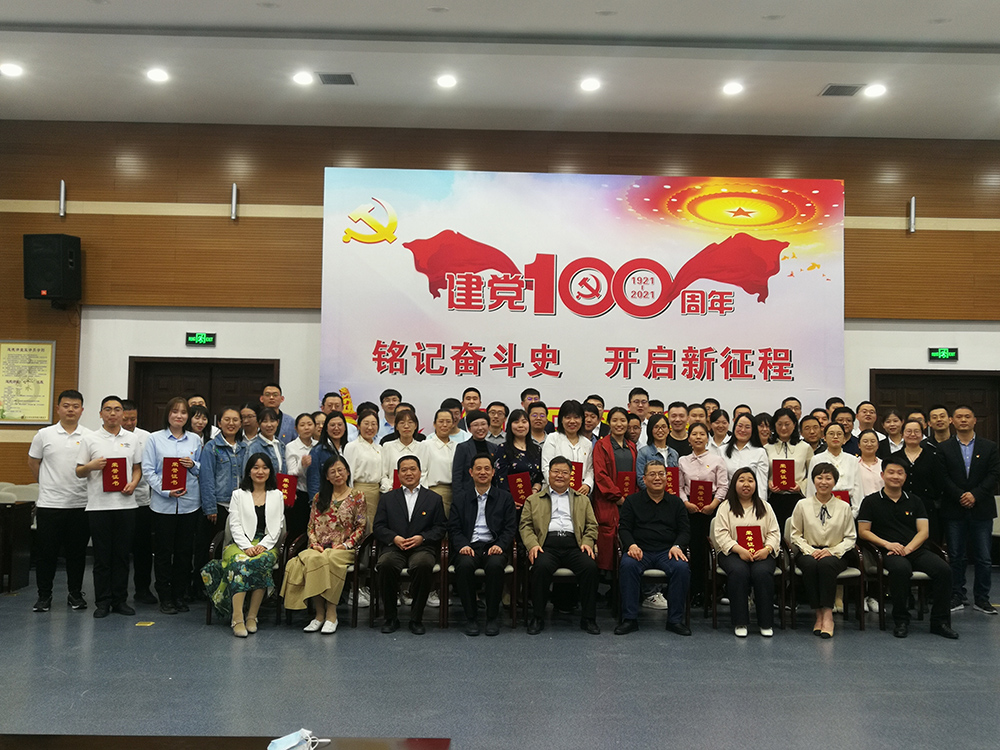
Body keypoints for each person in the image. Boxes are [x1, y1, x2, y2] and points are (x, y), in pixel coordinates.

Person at [857, 457, 957, 638]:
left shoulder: (915, 501)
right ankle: (901, 620)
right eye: (891, 472)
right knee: (901, 570)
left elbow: (924, 531)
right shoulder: (871, 501)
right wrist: (887, 544)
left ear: (905, 476)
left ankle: (940, 622)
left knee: (944, 570)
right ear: (882, 475)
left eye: (900, 473)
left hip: (915, 549)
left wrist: (908, 549)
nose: (895, 476)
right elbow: (863, 531)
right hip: (888, 551)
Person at [281, 455, 367, 633]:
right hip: (319, 547)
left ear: (347, 472)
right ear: (327, 477)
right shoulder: (319, 497)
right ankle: (319, 615)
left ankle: (331, 614)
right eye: (332, 472)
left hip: (343, 549)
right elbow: (311, 525)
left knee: (330, 558)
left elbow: (361, 527)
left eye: (340, 470)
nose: (337, 474)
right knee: (313, 559)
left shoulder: (358, 496)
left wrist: (347, 545)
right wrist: (314, 544)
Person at [201, 452, 284, 637]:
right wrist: (247, 547)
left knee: (260, 562)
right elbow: (235, 524)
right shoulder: (238, 494)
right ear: (248, 471)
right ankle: (237, 618)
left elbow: (277, 525)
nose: (260, 472)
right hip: (240, 542)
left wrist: (263, 546)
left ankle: (252, 616)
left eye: (265, 468)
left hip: (266, 543)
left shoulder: (277, 495)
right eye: (256, 467)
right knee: (240, 563)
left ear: (270, 471)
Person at [75, 395, 142, 618]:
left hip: (126, 506)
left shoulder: (132, 439)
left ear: (123, 414)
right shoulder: (90, 439)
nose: (113, 413)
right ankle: (102, 602)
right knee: (102, 557)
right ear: (100, 414)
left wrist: (134, 483)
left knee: (122, 556)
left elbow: (137, 468)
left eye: (117, 409)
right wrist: (92, 466)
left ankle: (120, 600)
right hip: (98, 507)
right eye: (108, 409)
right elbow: (79, 471)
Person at [520, 456, 600, 635]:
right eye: (556, 471)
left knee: (590, 568)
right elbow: (525, 526)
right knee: (540, 567)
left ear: (571, 475)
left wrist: (587, 542)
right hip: (546, 546)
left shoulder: (582, 499)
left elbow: (592, 525)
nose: (560, 476)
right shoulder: (533, 500)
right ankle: (537, 617)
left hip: (575, 546)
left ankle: (589, 619)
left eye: (564, 472)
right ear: (548, 474)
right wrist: (532, 545)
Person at [141, 396, 207, 615]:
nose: (179, 416)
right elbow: (148, 470)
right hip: (163, 505)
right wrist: (165, 490)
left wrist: (193, 464)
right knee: (163, 552)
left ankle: (180, 594)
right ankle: (165, 596)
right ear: (167, 414)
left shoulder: (195, 440)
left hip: (189, 504)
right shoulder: (154, 439)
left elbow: (202, 469)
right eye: (175, 412)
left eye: (183, 412)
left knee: (184, 552)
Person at [27, 389, 91, 613]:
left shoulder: (89, 436)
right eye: (66, 406)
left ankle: (75, 594)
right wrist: (46, 483)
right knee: (46, 554)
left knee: (77, 554)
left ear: (82, 410)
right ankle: (44, 596)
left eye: (75, 406)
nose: (70, 410)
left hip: (80, 504)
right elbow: (33, 462)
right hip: (50, 505)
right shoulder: (44, 435)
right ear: (58, 409)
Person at [615, 458, 691, 636]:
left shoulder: (676, 503)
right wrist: (631, 545)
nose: (657, 478)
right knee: (628, 565)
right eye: (652, 474)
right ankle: (629, 619)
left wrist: (677, 545)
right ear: (644, 479)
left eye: (661, 474)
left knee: (681, 568)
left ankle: (675, 620)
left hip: (667, 551)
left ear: (667, 478)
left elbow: (685, 531)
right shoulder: (632, 501)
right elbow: (624, 528)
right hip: (640, 550)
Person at [938, 405, 1000, 615]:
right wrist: (960, 495)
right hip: (953, 508)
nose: (963, 420)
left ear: (974, 420)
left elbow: (994, 475)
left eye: (967, 416)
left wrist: (975, 495)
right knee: (956, 555)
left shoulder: (989, 447)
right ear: (952, 421)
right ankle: (957, 594)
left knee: (983, 557)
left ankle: (982, 599)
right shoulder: (944, 448)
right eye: (959, 417)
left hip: (981, 508)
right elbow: (943, 477)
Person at [374, 456, 447, 635]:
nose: (409, 473)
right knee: (385, 564)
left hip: (422, 547)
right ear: (398, 474)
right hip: (394, 547)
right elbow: (379, 526)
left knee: (423, 564)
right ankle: (391, 618)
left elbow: (440, 527)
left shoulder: (433, 498)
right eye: (404, 470)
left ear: (420, 472)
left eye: (413, 469)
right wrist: (394, 538)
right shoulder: (388, 498)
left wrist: (423, 538)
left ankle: (416, 618)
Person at [449, 454, 516, 636]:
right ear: (471, 472)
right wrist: (462, 545)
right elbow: (454, 528)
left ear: (493, 472)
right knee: (464, 566)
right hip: (469, 546)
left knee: (495, 565)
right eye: (478, 468)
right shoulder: (461, 498)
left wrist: (500, 545)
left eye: (487, 468)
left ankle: (492, 617)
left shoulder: (505, 498)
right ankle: (471, 617)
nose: (483, 472)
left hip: (493, 546)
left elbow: (510, 528)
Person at [789, 462, 858, 638]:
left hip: (836, 552)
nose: (823, 482)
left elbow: (850, 538)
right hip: (808, 551)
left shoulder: (844, 507)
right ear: (813, 481)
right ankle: (818, 613)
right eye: (819, 478)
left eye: (828, 478)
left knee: (826, 565)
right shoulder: (802, 505)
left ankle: (827, 615)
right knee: (811, 565)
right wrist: (810, 550)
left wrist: (832, 551)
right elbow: (795, 535)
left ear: (835, 482)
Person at [712, 467, 780, 637]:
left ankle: (765, 623)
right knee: (739, 572)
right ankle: (740, 621)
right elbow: (721, 533)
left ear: (756, 484)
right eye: (741, 480)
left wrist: (767, 549)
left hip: (761, 552)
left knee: (762, 572)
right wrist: (739, 549)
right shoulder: (725, 507)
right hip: (733, 553)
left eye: (750, 480)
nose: (746, 484)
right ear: (734, 484)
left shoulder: (765, 506)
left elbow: (774, 533)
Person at [679, 422, 729, 607]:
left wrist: (713, 505)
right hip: (690, 511)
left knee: (710, 551)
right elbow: (679, 487)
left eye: (702, 434)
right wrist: (686, 503)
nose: (698, 437)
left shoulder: (717, 460)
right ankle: (694, 591)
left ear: (707, 438)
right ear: (689, 438)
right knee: (693, 551)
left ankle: (711, 591)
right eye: (694, 434)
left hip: (711, 511)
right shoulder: (683, 460)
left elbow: (723, 486)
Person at [591, 407, 637, 573]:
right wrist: (617, 496)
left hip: (629, 502)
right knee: (608, 536)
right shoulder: (601, 445)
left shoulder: (631, 446)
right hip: (608, 500)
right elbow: (600, 474)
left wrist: (631, 499)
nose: (619, 424)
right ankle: (608, 579)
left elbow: (636, 474)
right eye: (615, 420)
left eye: (623, 420)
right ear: (608, 423)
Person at [121, 399, 155, 604]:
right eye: (125, 419)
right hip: (116, 502)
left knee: (143, 549)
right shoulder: (109, 437)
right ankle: (118, 592)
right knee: (121, 549)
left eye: (133, 419)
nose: (129, 423)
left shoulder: (147, 437)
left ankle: (142, 589)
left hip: (142, 500)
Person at [897, 419, 945, 545]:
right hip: (899, 507)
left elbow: (940, 484)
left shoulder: (933, 457)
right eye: (909, 431)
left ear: (922, 434)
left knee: (930, 545)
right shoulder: (895, 458)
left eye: (916, 431)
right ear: (902, 434)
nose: (913, 434)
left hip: (927, 508)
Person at [765, 407, 813, 531]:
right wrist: (768, 484)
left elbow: (812, 475)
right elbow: (763, 474)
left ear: (794, 424)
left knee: (796, 531)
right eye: (779, 424)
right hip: (774, 498)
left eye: (787, 424)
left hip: (797, 498)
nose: (783, 428)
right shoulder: (766, 448)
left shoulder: (805, 447)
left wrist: (801, 486)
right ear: (774, 425)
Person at [805, 422, 863, 517]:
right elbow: (811, 488)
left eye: (839, 434)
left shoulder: (853, 460)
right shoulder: (816, 459)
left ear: (844, 439)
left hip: (847, 508)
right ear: (824, 438)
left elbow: (858, 489)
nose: (835, 437)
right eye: (831, 434)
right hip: (822, 506)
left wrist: (853, 513)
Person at [541, 400, 594, 496]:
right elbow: (546, 467)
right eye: (568, 417)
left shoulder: (587, 444)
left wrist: (587, 484)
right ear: (561, 420)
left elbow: (590, 469)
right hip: (554, 492)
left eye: (576, 417)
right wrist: (560, 487)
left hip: (580, 494)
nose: (572, 421)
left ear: (582, 420)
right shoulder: (552, 438)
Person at [343, 410, 383, 530]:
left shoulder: (380, 448)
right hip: (358, 491)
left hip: (376, 493)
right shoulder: (352, 446)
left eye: (374, 424)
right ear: (359, 426)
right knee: (360, 526)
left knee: (374, 526)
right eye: (366, 423)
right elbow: (347, 474)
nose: (370, 427)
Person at [452, 410, 502, 505]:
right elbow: (457, 476)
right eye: (475, 425)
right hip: (468, 495)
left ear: (488, 426)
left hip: (491, 495)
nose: (480, 428)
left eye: (483, 424)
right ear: (469, 429)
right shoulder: (462, 447)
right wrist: (459, 498)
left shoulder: (494, 447)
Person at [493, 409, 543, 500]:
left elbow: (540, 476)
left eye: (524, 422)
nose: (520, 425)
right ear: (510, 425)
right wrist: (511, 499)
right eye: (516, 422)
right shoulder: (503, 449)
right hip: (509, 501)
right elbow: (500, 479)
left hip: (533, 500)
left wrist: (534, 490)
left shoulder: (537, 450)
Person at [284, 412, 317, 539]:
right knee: (298, 530)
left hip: (316, 494)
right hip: (299, 494)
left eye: (309, 424)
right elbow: (291, 472)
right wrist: (302, 465)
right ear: (296, 429)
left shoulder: (318, 445)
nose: (306, 428)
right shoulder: (291, 447)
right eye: (302, 425)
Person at [422, 408, 458, 517]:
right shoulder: (426, 445)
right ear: (434, 424)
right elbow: (422, 473)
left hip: (455, 493)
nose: (444, 425)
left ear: (453, 424)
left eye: (448, 421)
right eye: (441, 421)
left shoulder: (457, 446)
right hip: (434, 492)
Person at [380, 409, 425, 493]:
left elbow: (424, 474)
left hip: (417, 493)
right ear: (396, 426)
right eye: (402, 423)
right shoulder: (388, 446)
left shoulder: (423, 447)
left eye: (410, 422)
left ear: (415, 426)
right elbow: (383, 475)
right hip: (392, 492)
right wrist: (389, 488)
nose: (406, 426)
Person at [722, 413, 768, 492]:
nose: (743, 430)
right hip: (727, 497)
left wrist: (760, 500)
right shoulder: (722, 450)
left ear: (753, 430)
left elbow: (761, 484)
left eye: (747, 427)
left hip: (750, 497)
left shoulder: (760, 452)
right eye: (740, 426)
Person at [635, 413, 680, 490]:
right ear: (650, 430)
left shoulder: (674, 453)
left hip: (671, 494)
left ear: (668, 430)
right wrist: (657, 493)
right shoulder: (643, 452)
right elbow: (640, 479)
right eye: (656, 427)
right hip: (651, 494)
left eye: (663, 427)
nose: (660, 430)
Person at [244, 407, 287, 475]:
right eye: (265, 421)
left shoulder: (281, 445)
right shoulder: (253, 447)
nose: (269, 425)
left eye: (272, 421)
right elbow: (247, 473)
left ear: (277, 422)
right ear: (258, 424)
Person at [856, 428, 885, 498]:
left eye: (873, 441)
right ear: (859, 445)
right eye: (865, 441)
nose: (869, 444)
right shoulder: (854, 464)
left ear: (878, 445)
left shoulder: (884, 464)